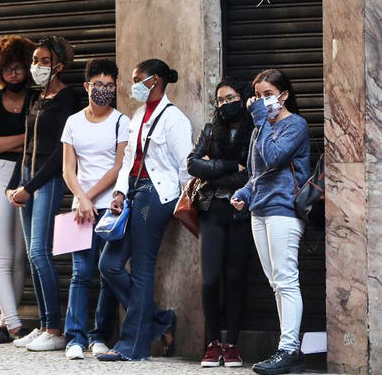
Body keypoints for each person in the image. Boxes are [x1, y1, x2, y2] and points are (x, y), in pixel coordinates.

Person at [96, 59, 193, 361]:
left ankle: (132, 346)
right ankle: (160, 321)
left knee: (141, 268)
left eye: (138, 78)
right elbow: (127, 161)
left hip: (157, 195)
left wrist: (186, 199)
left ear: (155, 81)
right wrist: (120, 192)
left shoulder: (174, 118)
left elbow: (185, 165)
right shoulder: (137, 115)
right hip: (134, 192)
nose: (133, 84)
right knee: (109, 264)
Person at [231, 69, 310, 375]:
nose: (262, 101)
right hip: (260, 211)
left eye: (268, 94)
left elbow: (275, 157)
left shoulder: (296, 125)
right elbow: (257, 173)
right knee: (276, 283)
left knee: (287, 280)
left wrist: (260, 120)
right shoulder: (259, 128)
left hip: (284, 211)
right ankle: (287, 348)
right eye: (259, 95)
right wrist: (243, 193)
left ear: (284, 95)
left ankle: (289, 350)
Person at [5, 36, 79, 351]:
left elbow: (59, 152)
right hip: (25, 177)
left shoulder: (68, 99)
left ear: (59, 65)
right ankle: (43, 322)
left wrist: (29, 187)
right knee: (34, 257)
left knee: (39, 252)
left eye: (45, 61)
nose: (37, 66)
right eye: (35, 60)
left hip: (47, 180)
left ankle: (55, 329)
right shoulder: (37, 98)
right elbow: (27, 145)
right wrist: (14, 183)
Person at [61, 59, 129, 360]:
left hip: (107, 210)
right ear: (87, 86)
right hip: (80, 209)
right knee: (80, 274)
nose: (104, 91)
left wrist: (89, 196)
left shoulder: (120, 121)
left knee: (106, 274)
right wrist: (82, 199)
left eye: (109, 86)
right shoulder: (73, 122)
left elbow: (118, 167)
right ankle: (74, 337)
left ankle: (99, 334)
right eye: (98, 85)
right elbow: (67, 169)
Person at [187, 78, 254, 367]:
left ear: (242, 98)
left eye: (231, 98)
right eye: (221, 100)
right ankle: (212, 342)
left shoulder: (255, 131)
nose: (225, 104)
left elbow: (251, 174)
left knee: (237, 279)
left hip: (242, 211)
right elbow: (192, 164)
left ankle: (232, 344)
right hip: (212, 208)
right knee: (211, 278)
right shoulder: (212, 130)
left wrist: (214, 171)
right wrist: (229, 167)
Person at [0, 35, 36, 344]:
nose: (14, 74)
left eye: (19, 68)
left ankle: (4, 319)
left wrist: (9, 142)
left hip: (28, 174)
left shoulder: (37, 99)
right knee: (2, 252)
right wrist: (26, 137)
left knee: (21, 254)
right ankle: (14, 325)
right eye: (8, 69)